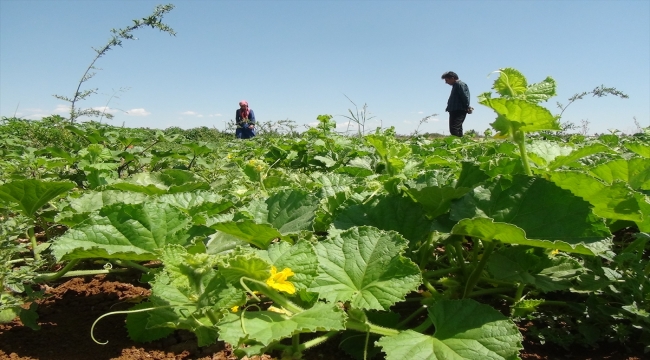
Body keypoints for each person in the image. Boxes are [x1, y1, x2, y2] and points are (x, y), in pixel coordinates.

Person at [441, 71, 471, 137]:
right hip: (455, 110)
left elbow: (465, 96)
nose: (446, 82)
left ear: (452, 78)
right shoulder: (456, 85)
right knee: (457, 128)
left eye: (447, 80)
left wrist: (467, 106)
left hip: (458, 110)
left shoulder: (460, 84)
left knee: (454, 129)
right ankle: (461, 144)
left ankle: (457, 144)